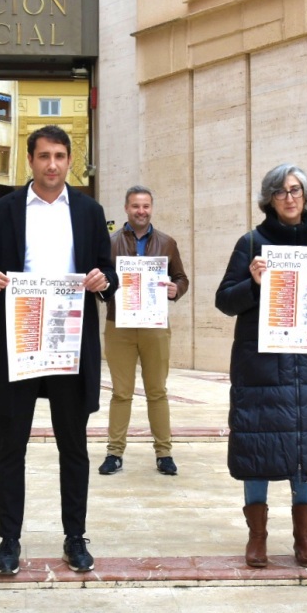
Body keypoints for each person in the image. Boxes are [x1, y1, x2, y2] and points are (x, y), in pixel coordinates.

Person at [0, 125, 117, 576]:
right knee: (10, 448)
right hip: (19, 341)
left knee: (73, 448)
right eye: (43, 156)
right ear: (30, 160)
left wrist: (102, 281)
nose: (51, 164)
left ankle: (75, 538)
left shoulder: (90, 211)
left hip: (70, 344)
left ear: (68, 161)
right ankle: (9, 541)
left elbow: (108, 272)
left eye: (59, 156)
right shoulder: (7, 210)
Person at [215, 164, 307, 569]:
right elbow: (225, 301)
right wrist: (253, 283)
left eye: (295, 190)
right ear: (269, 199)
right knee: (260, 445)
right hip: (261, 364)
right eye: (280, 192)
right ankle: (257, 537)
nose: (289, 198)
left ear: (306, 196)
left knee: (303, 446)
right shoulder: (252, 242)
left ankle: (303, 538)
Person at [99, 185, 190, 476]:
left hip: (155, 326)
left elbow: (181, 278)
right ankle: (114, 452)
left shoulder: (167, 242)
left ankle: (164, 453)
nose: (141, 211)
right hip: (119, 326)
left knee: (157, 391)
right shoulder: (110, 243)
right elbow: (100, 281)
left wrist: (176, 290)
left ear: (152, 208)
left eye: (146, 206)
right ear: (126, 208)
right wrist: (104, 290)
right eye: (136, 206)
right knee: (121, 392)